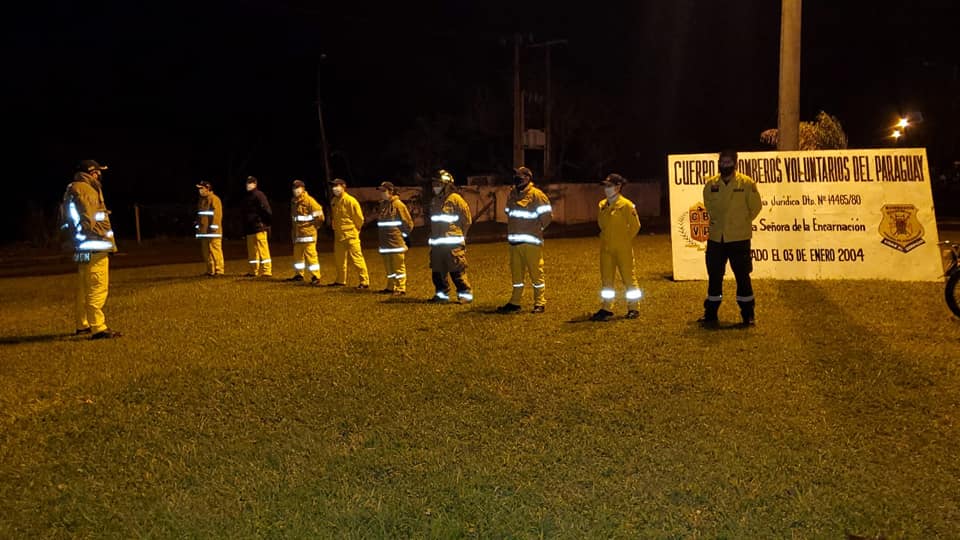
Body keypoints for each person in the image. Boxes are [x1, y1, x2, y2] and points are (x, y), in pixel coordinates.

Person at [700, 149, 763, 327]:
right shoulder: (711, 184)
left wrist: (740, 222)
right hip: (716, 239)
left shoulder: (746, 183)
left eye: (728, 162)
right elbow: (708, 206)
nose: (725, 165)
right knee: (714, 276)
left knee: (742, 276)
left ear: (735, 164)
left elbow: (755, 207)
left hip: (739, 238)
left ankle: (748, 314)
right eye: (722, 162)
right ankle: (710, 313)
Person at [60, 159, 121, 339]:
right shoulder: (86, 189)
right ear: (92, 172)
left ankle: (83, 324)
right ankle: (99, 327)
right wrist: (96, 235)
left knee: (83, 286)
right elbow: (89, 217)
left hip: (81, 246)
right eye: (98, 171)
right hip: (95, 244)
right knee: (96, 286)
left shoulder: (72, 188)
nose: (100, 175)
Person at [496, 166, 553, 314]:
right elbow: (508, 213)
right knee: (516, 276)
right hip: (514, 243)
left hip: (531, 242)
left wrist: (535, 230)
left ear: (528, 178)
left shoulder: (537, 195)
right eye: (515, 175)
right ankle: (515, 302)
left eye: (519, 176)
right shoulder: (512, 194)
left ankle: (540, 303)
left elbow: (547, 218)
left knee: (536, 274)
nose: (516, 178)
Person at [591, 173, 642, 321]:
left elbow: (635, 226)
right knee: (606, 279)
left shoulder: (626, 205)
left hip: (622, 248)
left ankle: (634, 307)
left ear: (618, 187)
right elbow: (601, 224)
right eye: (605, 186)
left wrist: (625, 240)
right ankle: (607, 308)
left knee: (628, 278)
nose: (606, 189)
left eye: (609, 186)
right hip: (606, 248)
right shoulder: (602, 205)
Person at [428, 169, 473, 303]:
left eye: (438, 184)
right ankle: (441, 296)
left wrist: (461, 237)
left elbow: (467, 220)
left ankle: (465, 294)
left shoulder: (456, 199)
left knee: (457, 270)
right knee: (437, 271)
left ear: (447, 185)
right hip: (437, 243)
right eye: (434, 183)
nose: (435, 186)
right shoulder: (435, 201)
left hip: (452, 243)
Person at [326, 178, 370, 288]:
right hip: (339, 236)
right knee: (339, 260)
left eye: (337, 185)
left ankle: (364, 282)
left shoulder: (351, 201)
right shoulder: (334, 201)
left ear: (343, 186)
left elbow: (359, 218)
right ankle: (340, 280)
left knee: (357, 259)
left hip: (350, 235)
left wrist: (356, 230)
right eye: (333, 186)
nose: (334, 188)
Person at [376, 181, 414, 295]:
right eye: (381, 191)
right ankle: (390, 286)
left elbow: (408, 224)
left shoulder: (399, 205)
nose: (382, 193)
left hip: (396, 243)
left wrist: (403, 236)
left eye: (384, 191)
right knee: (389, 268)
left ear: (391, 191)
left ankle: (401, 288)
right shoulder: (383, 205)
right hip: (385, 243)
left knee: (398, 267)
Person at [287, 179, 324, 284]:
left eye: (298, 188)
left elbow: (320, 216)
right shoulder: (294, 201)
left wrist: (315, 227)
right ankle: (299, 275)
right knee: (298, 257)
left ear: (303, 189)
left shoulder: (309, 201)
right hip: (298, 235)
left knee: (311, 256)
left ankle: (316, 276)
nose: (296, 190)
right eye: (294, 188)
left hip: (308, 235)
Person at [241, 175, 273, 278]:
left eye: (250, 183)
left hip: (259, 227)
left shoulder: (259, 195)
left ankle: (267, 271)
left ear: (255, 184)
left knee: (263, 250)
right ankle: (253, 271)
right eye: (247, 183)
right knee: (252, 252)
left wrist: (265, 224)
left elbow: (267, 210)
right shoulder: (246, 197)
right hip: (250, 228)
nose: (248, 185)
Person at [195, 180, 224, 276]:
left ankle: (219, 270)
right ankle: (210, 270)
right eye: (199, 188)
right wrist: (198, 227)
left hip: (213, 232)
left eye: (201, 188)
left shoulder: (214, 199)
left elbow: (217, 215)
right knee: (206, 252)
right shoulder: (201, 200)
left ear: (208, 189)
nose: (200, 190)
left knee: (215, 251)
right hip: (204, 232)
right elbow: (200, 216)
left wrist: (214, 227)